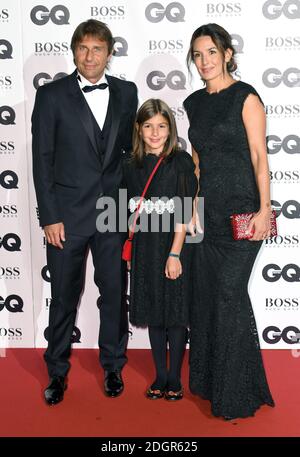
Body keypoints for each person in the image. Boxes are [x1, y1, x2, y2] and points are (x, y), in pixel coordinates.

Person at [32, 19, 138, 405]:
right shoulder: (51, 96)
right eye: (83, 48)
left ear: (110, 53)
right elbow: (42, 160)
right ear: (74, 51)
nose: (90, 56)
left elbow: (131, 153)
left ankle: (113, 365)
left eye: (97, 48)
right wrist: (49, 216)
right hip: (67, 216)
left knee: (113, 293)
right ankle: (56, 372)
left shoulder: (127, 92)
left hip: (112, 211)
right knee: (63, 296)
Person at [183, 23, 275, 419]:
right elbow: (198, 162)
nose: (204, 61)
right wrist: (191, 211)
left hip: (243, 215)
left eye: (210, 53)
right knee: (211, 299)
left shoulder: (246, 97)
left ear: (227, 54)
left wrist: (265, 209)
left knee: (227, 295)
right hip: (210, 217)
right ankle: (213, 380)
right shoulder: (193, 103)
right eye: (198, 55)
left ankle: (235, 394)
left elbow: (259, 157)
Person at [122, 99, 197, 400]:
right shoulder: (130, 164)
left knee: (175, 314)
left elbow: (183, 210)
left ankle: (175, 378)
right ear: (139, 129)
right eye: (149, 126)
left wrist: (175, 253)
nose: (155, 133)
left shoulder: (179, 162)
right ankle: (160, 375)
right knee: (155, 312)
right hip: (144, 247)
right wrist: (129, 249)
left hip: (172, 244)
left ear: (171, 129)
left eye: (162, 126)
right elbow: (127, 209)